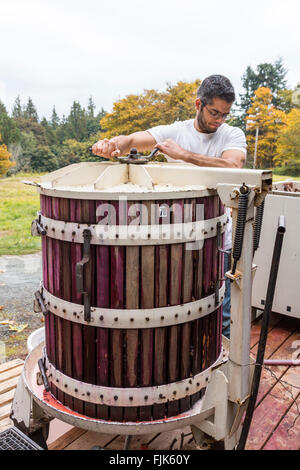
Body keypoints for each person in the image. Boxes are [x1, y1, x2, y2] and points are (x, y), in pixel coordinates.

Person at [92, 74, 247, 338]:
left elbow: (233, 166)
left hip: (219, 240)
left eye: (224, 114)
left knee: (222, 312)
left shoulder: (231, 134)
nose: (219, 120)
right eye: (214, 113)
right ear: (198, 104)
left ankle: (221, 367)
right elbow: (131, 141)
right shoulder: (175, 131)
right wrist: (110, 144)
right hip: (177, 240)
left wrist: (183, 155)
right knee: (178, 305)